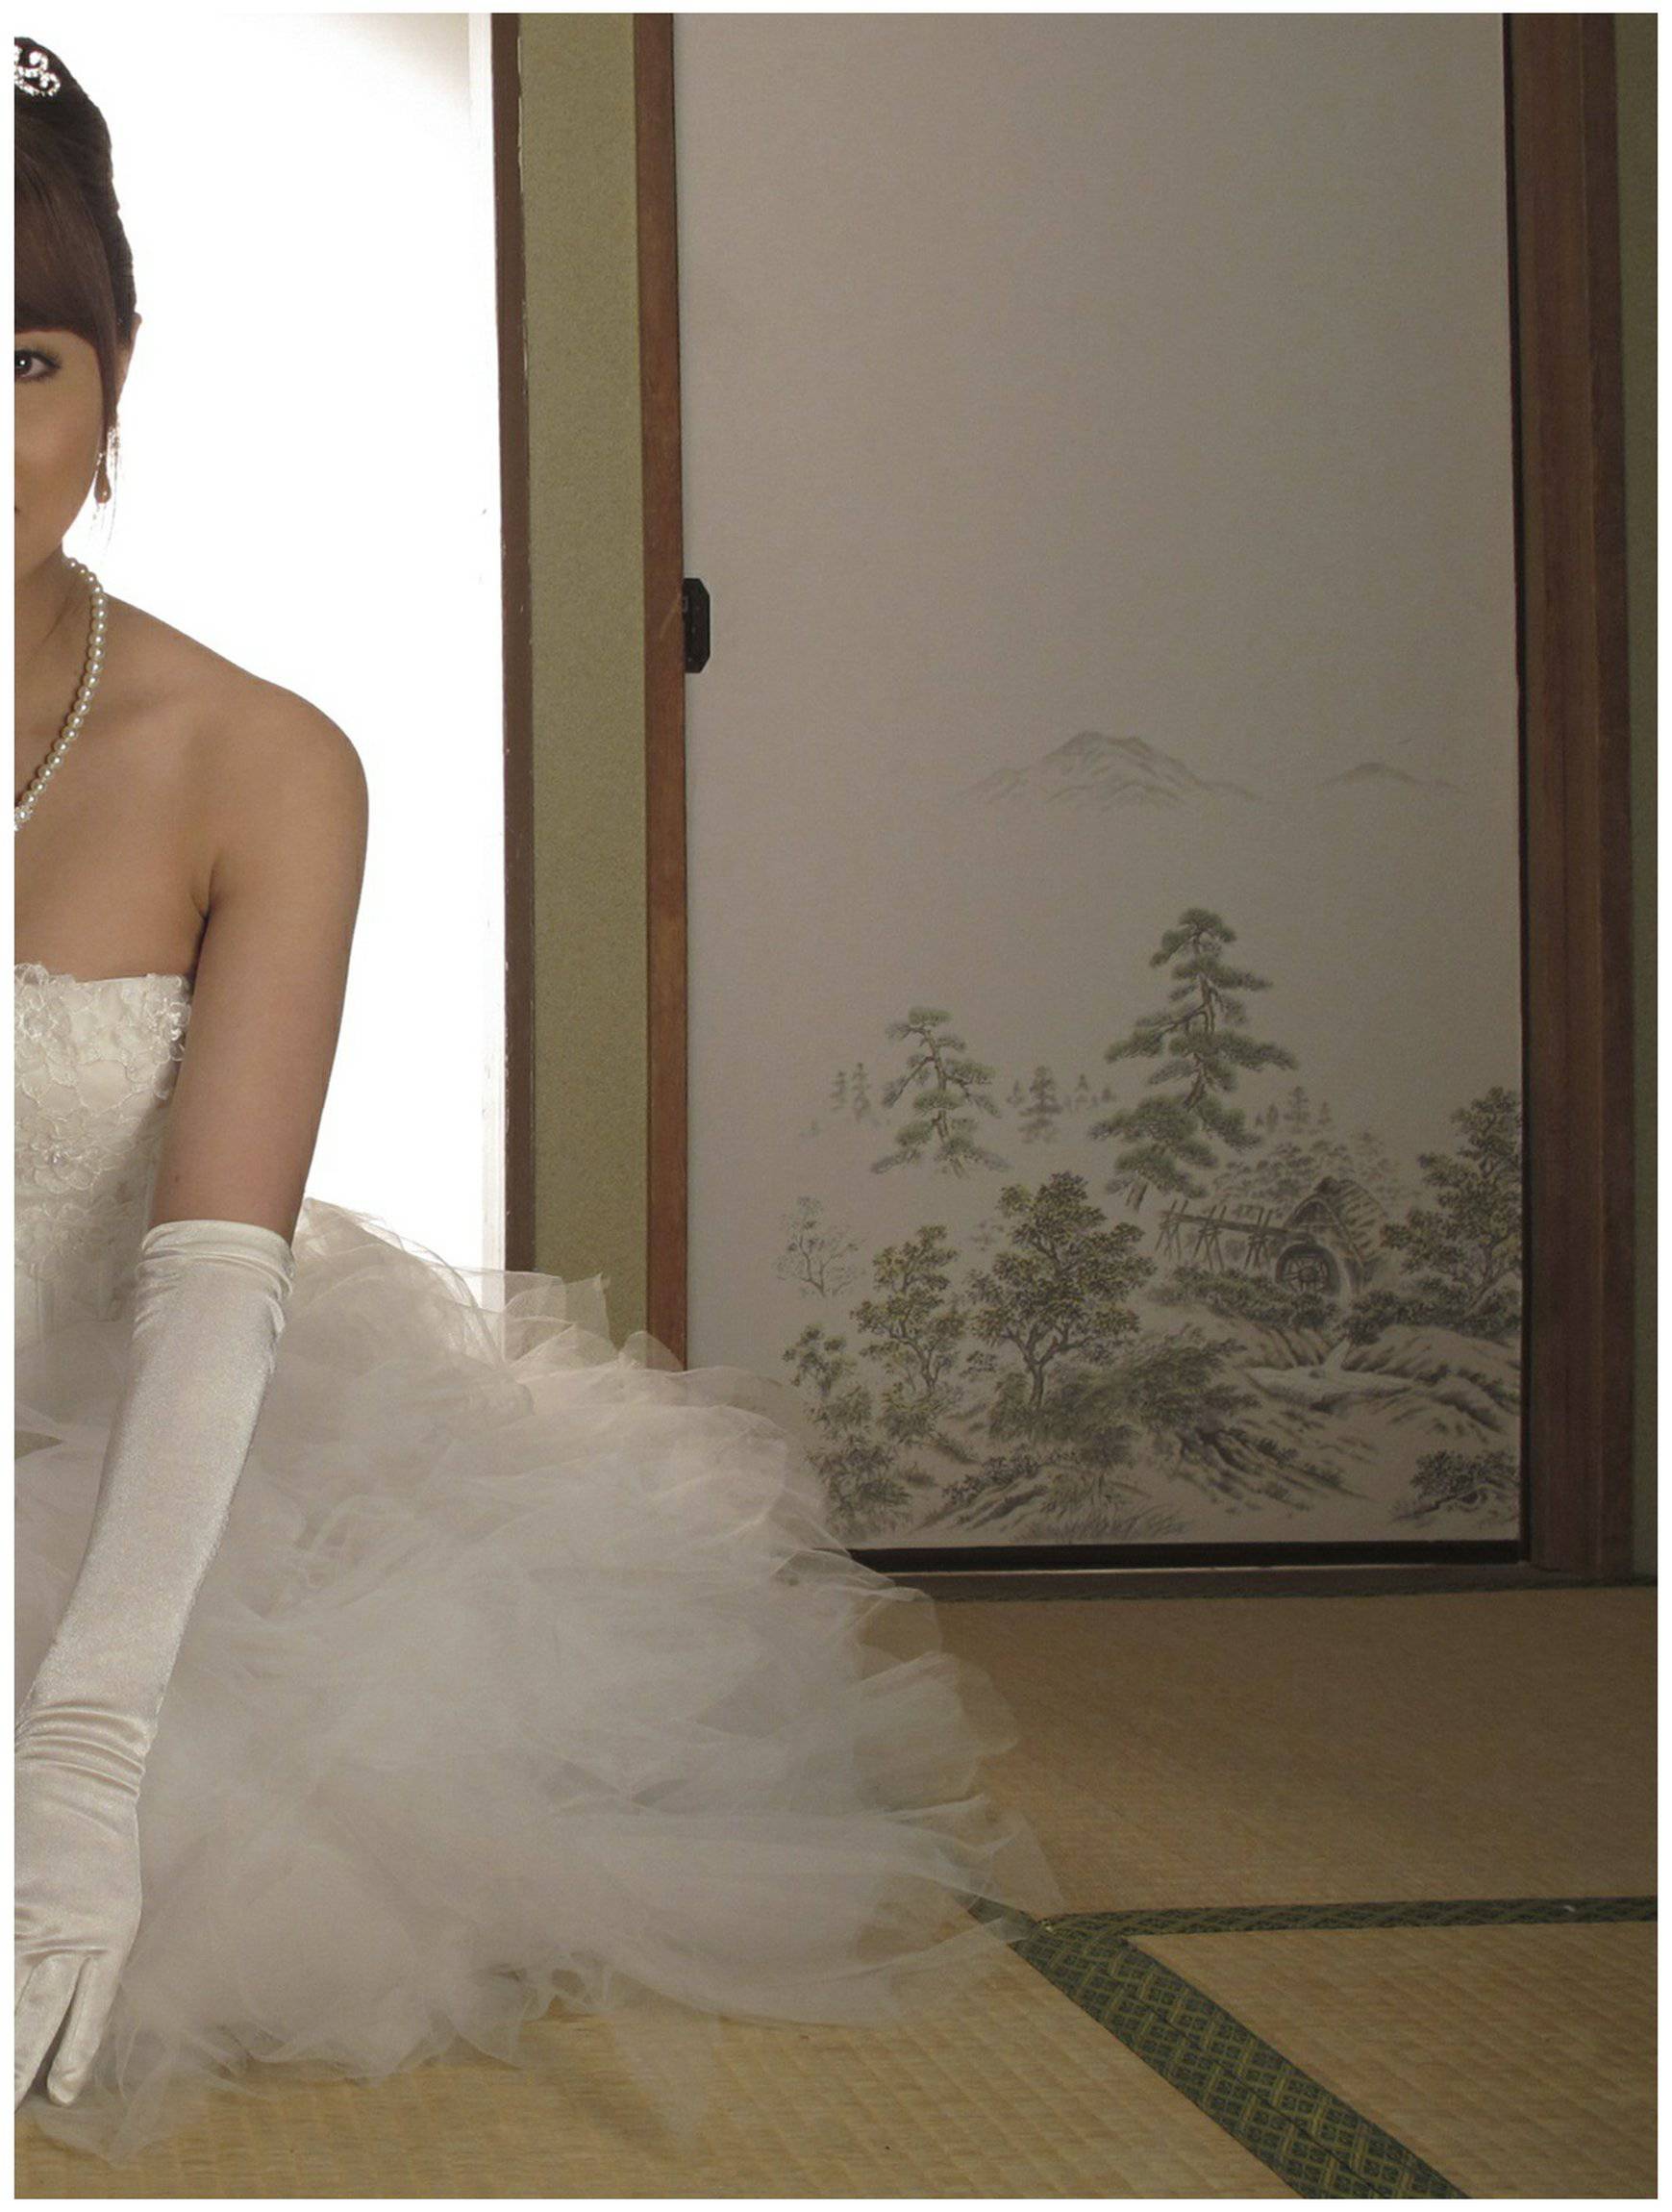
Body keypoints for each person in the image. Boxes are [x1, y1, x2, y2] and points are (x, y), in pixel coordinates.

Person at [13, 36, 1062, 2165]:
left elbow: (211, 1281)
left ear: (119, 385)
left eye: (26, 358)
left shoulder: (257, 760)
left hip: (119, 1466)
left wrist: (84, 1755)